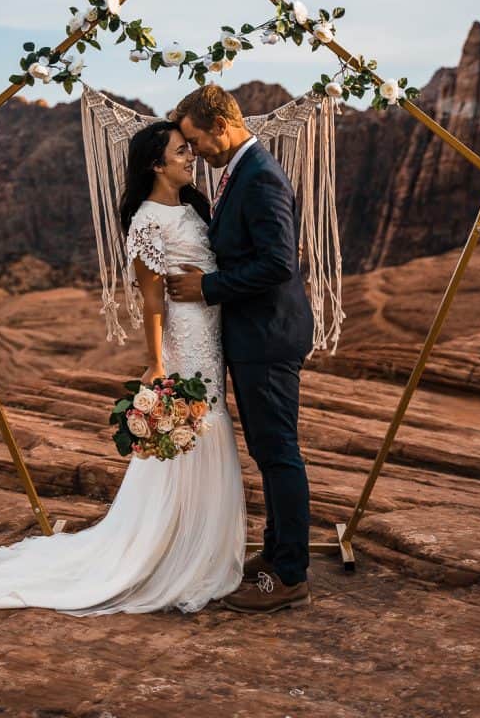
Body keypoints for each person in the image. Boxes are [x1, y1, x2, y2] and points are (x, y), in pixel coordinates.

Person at [0, 120, 246, 615]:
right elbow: (152, 299)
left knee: (211, 425)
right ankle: (177, 552)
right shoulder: (146, 221)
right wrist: (157, 362)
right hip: (185, 337)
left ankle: (202, 542)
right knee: (198, 429)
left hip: (213, 330)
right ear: (156, 164)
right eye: (181, 151)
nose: (190, 156)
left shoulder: (195, 206)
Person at [168, 85, 314, 614]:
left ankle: (290, 575)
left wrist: (206, 289)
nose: (196, 151)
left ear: (221, 125)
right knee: (268, 453)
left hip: (268, 337)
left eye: (196, 139)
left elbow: (278, 264)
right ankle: (276, 554)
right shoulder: (241, 171)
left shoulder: (261, 178)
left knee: (278, 454)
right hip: (256, 336)